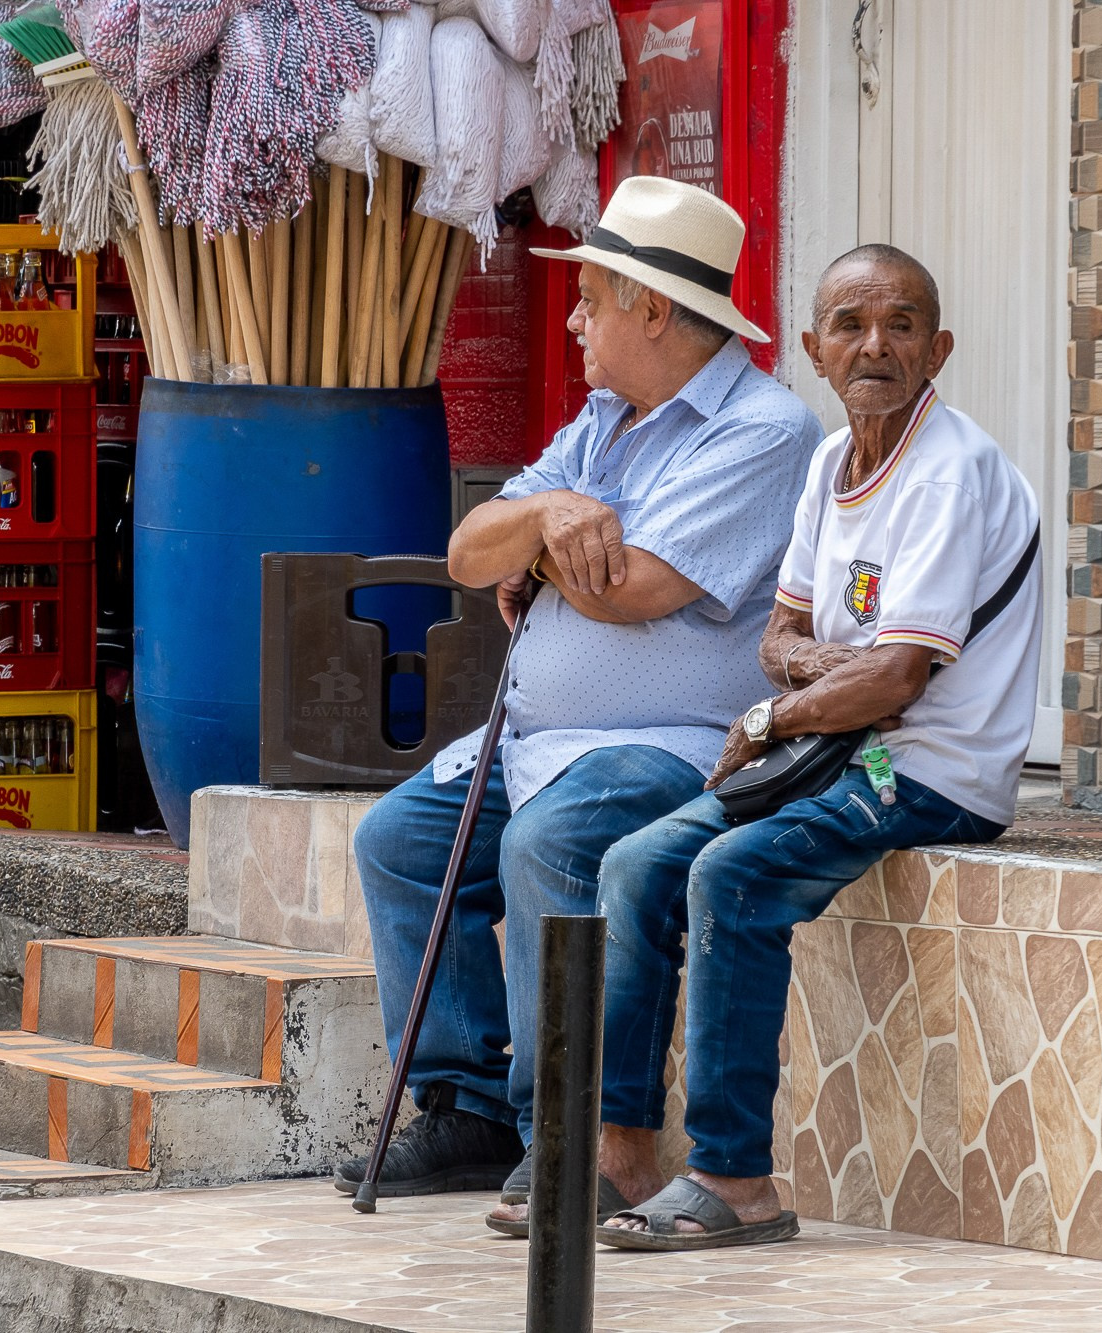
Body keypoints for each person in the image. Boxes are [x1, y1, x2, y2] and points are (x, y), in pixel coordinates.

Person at [334, 177, 824, 1213]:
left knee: (543, 844)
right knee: (397, 842)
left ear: (650, 310)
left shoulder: (762, 429)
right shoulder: (602, 424)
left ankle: (558, 1133)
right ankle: (464, 1103)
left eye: (590, 297)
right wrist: (551, 511)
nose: (572, 319)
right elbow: (470, 553)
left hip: (672, 741)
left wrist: (538, 553)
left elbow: (633, 586)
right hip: (536, 740)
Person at [584, 243, 1042, 1250]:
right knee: (634, 863)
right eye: (849, 326)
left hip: (925, 770)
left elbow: (895, 681)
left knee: (731, 874)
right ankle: (618, 1152)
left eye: (901, 325)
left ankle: (731, 1179)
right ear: (812, 350)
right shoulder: (827, 464)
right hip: (835, 750)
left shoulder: (948, 472)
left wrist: (769, 715)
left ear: (939, 348)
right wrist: (827, 674)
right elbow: (777, 637)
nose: (874, 345)